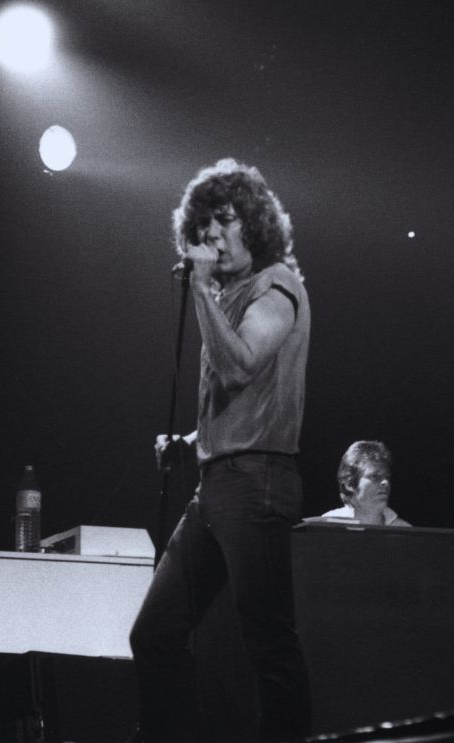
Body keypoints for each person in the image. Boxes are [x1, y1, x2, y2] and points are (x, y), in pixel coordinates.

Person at [130, 158, 312, 741]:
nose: (212, 236)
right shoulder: (226, 296)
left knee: (268, 644)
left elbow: (240, 368)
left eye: (225, 221)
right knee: (154, 633)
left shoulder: (276, 286)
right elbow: (237, 403)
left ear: (254, 223)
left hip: (257, 483)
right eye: (203, 226)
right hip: (216, 487)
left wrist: (201, 290)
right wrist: (189, 444)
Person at [322, 440, 412, 526]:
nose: (385, 482)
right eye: (375, 476)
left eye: (387, 477)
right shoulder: (327, 525)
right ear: (349, 484)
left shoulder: (403, 530)